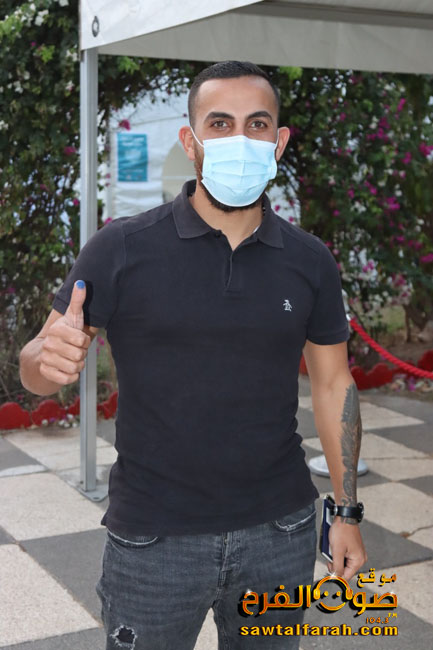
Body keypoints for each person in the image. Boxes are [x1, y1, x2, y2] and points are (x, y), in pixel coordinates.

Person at [19, 60, 367, 650]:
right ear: (191, 141)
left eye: (257, 124)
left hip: (280, 530)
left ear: (279, 141)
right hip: (154, 538)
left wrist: (347, 514)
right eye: (220, 123)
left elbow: (335, 386)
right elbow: (38, 369)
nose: (240, 139)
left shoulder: (309, 261)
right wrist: (42, 362)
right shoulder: (121, 248)